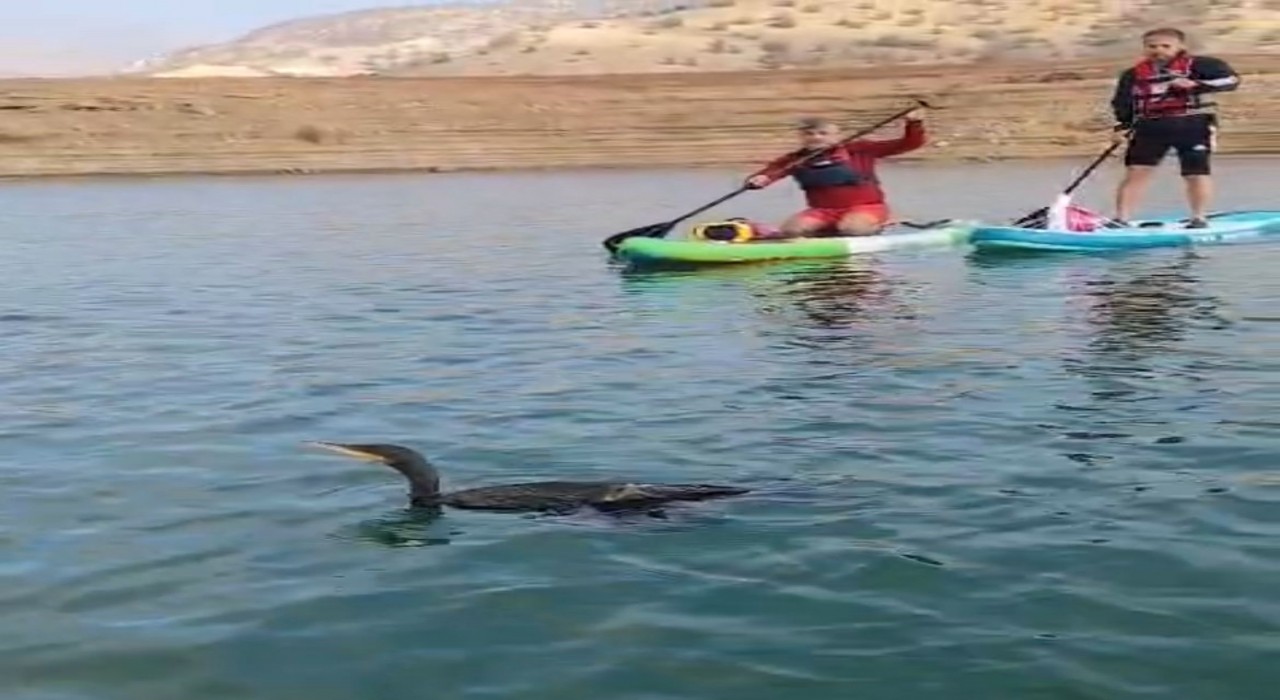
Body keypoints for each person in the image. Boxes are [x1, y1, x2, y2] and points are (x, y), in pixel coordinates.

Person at [1110, 27, 1240, 228]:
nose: (1158, 50)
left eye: (1165, 46)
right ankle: (1122, 219)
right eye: (1151, 46)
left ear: (1180, 46)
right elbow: (1122, 102)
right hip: (1150, 126)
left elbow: (1232, 81)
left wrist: (1195, 85)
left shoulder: (1202, 65)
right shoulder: (1132, 74)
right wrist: (1121, 126)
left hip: (1192, 125)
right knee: (1136, 171)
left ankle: (1198, 218)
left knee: (1195, 173)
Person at [743, 110, 925, 237]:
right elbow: (771, 172)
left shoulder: (859, 149)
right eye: (809, 134)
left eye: (823, 133)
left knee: (852, 229)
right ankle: (828, 231)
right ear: (802, 137)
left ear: (835, 136)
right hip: (822, 211)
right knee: (792, 231)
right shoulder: (795, 159)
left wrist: (914, 124)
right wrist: (759, 179)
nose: (816, 137)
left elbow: (908, 144)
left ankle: (883, 223)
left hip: (866, 207)